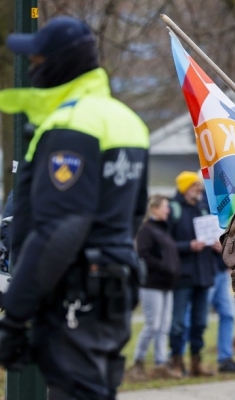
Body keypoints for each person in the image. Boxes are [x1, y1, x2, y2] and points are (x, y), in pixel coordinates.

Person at [0, 16, 149, 400]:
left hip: (74, 292)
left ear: (60, 62)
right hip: (111, 286)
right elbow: (134, 213)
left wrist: (15, 314)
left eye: (36, 60)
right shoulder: (126, 120)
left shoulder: (70, 123)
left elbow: (61, 227)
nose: (32, 69)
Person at [167, 171, 220, 377]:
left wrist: (217, 245)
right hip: (183, 276)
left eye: (199, 187)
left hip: (204, 274)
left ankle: (196, 363)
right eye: (194, 187)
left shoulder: (203, 208)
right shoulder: (174, 210)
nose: (198, 190)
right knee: (178, 323)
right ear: (184, 188)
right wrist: (188, 246)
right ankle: (176, 362)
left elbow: (214, 235)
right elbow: (165, 244)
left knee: (200, 322)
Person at [131, 195, 181, 380]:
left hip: (167, 285)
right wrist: (164, 267)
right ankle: (138, 361)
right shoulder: (147, 230)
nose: (168, 210)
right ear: (155, 209)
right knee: (153, 325)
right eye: (165, 207)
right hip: (152, 284)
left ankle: (161, 363)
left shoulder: (164, 229)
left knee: (164, 326)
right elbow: (143, 254)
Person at [210, 258, 235, 373]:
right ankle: (177, 358)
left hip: (222, 271)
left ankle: (225, 360)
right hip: (205, 271)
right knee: (194, 318)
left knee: (229, 315)